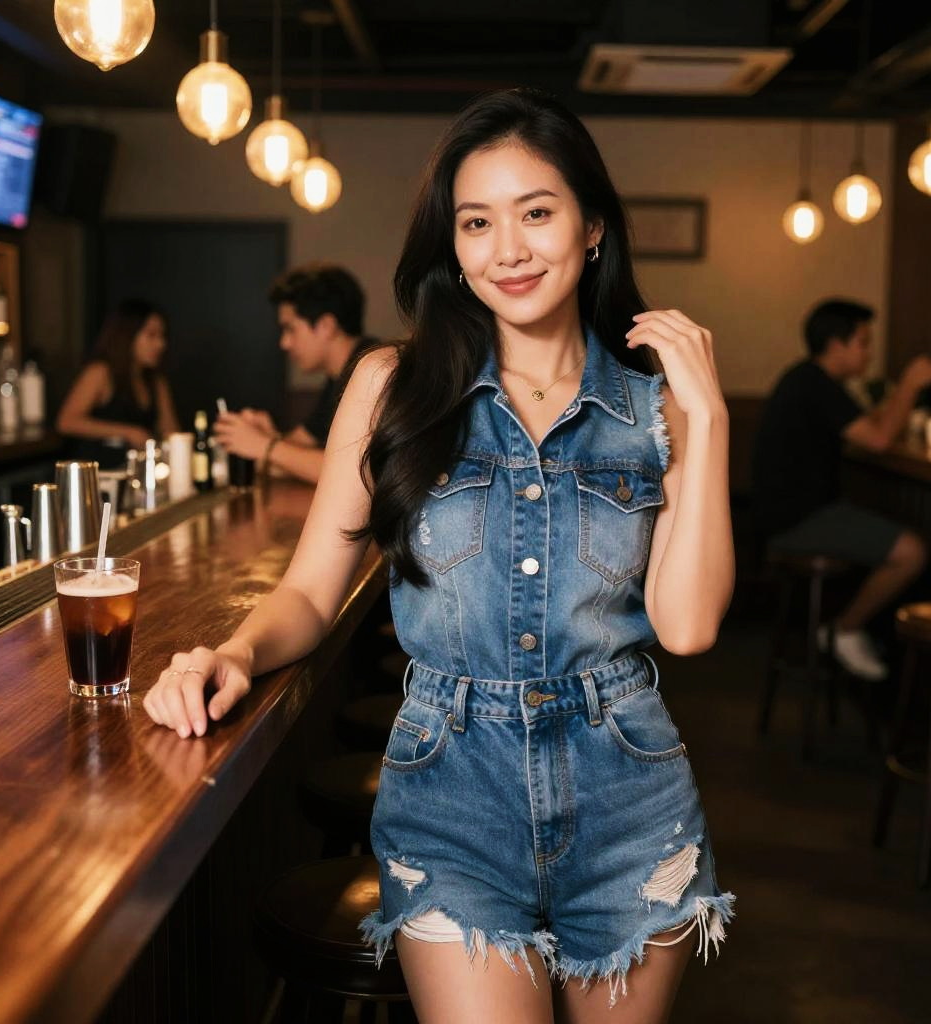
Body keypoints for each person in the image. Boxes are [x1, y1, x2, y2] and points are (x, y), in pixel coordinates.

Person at [144, 88, 735, 1023]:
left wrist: (710, 420)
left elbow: (690, 627)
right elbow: (310, 592)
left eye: (536, 213)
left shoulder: (658, 408)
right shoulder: (392, 385)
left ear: (591, 228)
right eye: (477, 222)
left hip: (629, 795)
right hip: (451, 790)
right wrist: (234, 653)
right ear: (452, 246)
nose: (508, 249)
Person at [752, 299, 931, 681]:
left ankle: (852, 632)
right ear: (837, 344)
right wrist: (909, 385)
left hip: (785, 514)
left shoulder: (808, 379)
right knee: (912, 552)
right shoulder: (815, 383)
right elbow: (879, 439)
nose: (869, 353)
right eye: (863, 342)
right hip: (796, 520)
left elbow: (866, 426)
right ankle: (845, 629)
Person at [213, 263, 375, 484]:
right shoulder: (339, 377)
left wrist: (264, 445)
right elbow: (304, 448)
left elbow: (353, 471)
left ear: (326, 326)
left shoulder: (370, 372)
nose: (284, 343)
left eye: (290, 329)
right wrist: (268, 438)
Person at [56, 298, 179, 469]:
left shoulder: (156, 381)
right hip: (100, 472)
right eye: (151, 335)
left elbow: (171, 433)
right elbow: (66, 422)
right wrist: (129, 433)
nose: (161, 344)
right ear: (128, 335)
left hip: (139, 474)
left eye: (162, 336)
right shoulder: (100, 373)